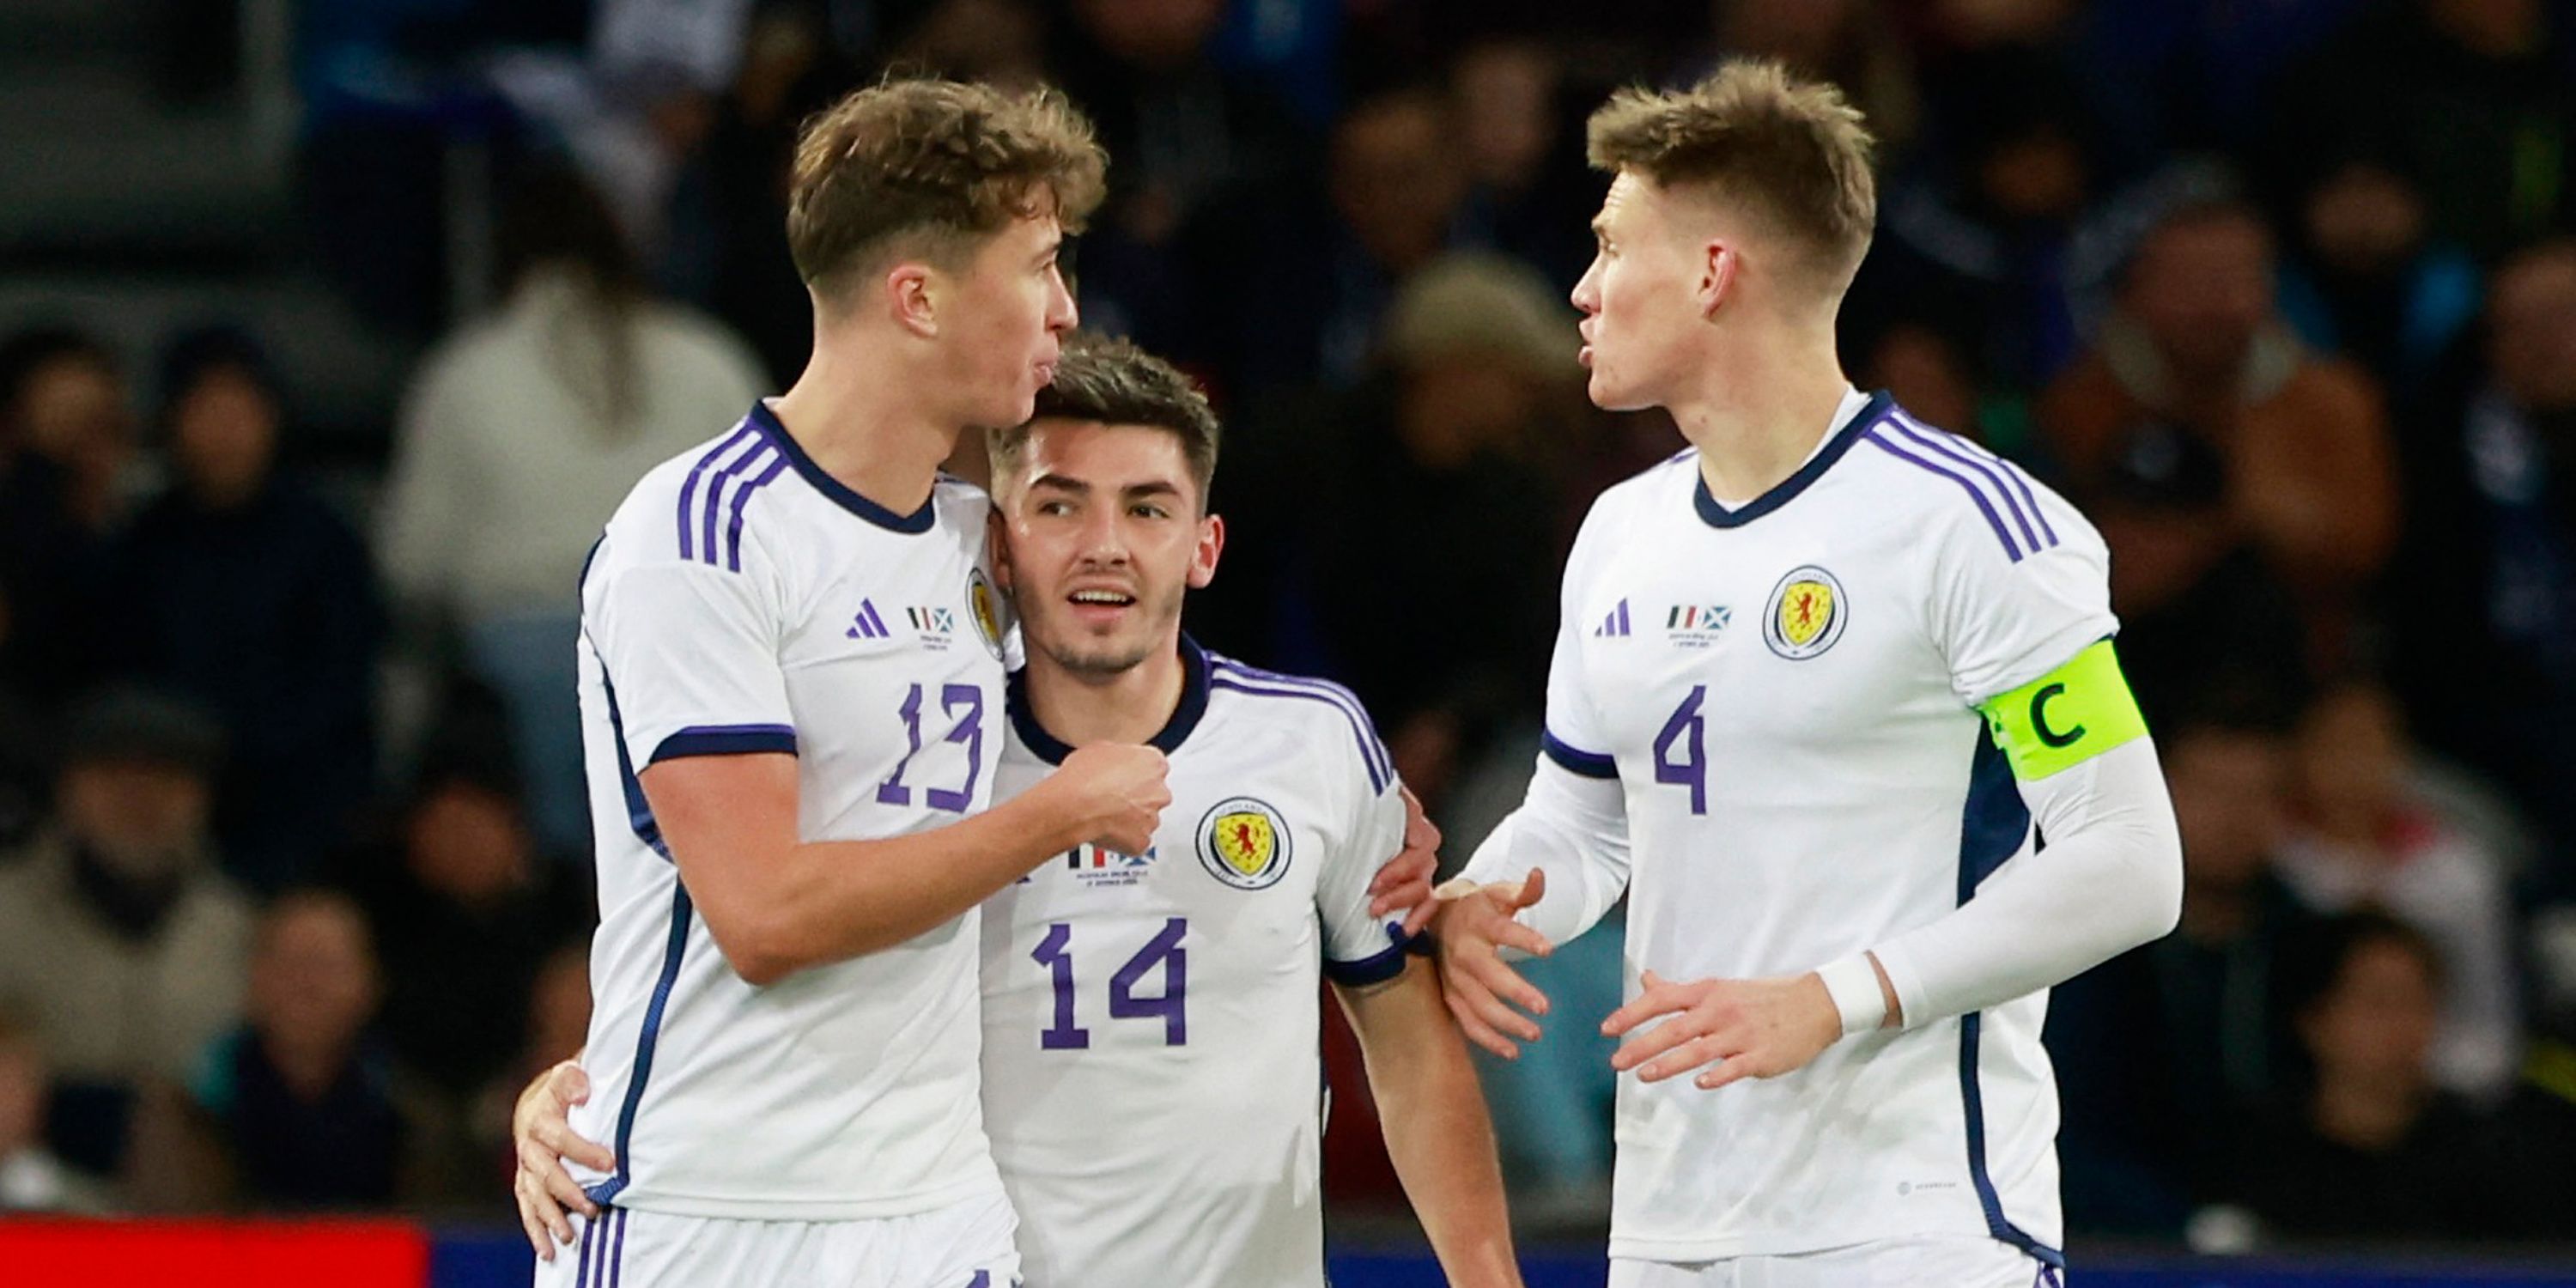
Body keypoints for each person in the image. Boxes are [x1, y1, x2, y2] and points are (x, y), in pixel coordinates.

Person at [513, 336, 1510, 1287]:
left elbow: (1411, 1046)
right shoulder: (928, 761)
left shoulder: (1312, 742)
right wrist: (584, 1087)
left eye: (1149, 510)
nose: (1105, 549)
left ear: (1205, 547)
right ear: (998, 538)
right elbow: (755, 920)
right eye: (1060, 507)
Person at [1431, 61, 2183, 1288]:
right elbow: (1582, 826)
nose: (1581, 288)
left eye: (1613, 247)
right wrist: (1487, 901)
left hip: (1916, 1221)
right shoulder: (1618, 532)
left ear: (1716, 271)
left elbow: (2130, 863)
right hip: (1675, 1223)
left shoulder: (1973, 526)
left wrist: (1836, 998)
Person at [524, 77, 1169, 1288]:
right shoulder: (700, 534)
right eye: (1037, 267)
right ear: (917, 297)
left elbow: (1171, 716)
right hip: (714, 1210)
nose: (1067, 310)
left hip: (935, 1212)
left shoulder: (983, 537)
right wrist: (1058, 815)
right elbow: (763, 916)